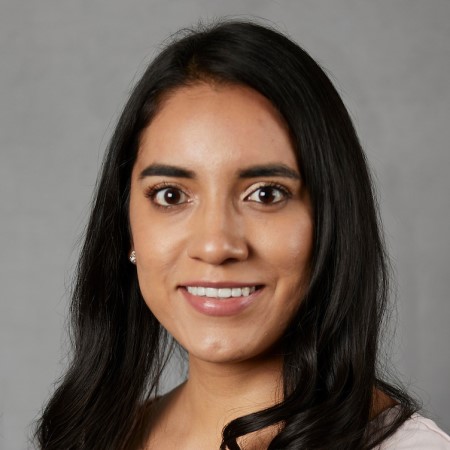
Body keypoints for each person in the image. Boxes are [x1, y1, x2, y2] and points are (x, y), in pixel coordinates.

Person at [35, 20, 450, 449]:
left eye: (266, 194)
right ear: (127, 228)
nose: (215, 246)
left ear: (332, 219)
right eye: (171, 195)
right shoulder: (94, 438)